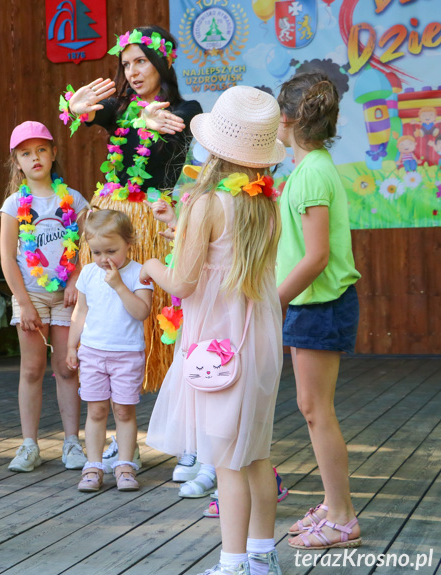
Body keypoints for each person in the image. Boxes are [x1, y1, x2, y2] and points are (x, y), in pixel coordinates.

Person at [143, 86, 286, 575]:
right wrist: (176, 229)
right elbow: (226, 260)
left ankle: (232, 563)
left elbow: (183, 281)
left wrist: (149, 264)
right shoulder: (264, 204)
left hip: (220, 345)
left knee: (226, 461)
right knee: (257, 456)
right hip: (260, 340)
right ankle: (263, 556)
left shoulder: (206, 204)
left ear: (214, 148)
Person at [62, 25, 203, 484]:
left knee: (167, 326)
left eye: (141, 61)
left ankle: (187, 443)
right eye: (126, 64)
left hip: (156, 224)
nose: (133, 71)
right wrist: (73, 108)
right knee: (107, 317)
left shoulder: (185, 109)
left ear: (162, 63)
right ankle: (122, 448)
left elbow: (167, 144)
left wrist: (140, 123)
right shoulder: (121, 108)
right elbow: (83, 115)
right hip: (111, 223)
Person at [276, 73, 362, 551]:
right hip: (312, 305)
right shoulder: (313, 167)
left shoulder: (310, 174)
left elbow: (316, 257)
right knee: (313, 410)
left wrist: (276, 301)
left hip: (318, 305)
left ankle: (343, 518)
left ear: (287, 120)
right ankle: (333, 505)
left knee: (315, 411)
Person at [0, 121, 89, 472]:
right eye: (25, 153)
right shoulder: (13, 205)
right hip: (30, 295)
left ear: (53, 153)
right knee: (32, 369)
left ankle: (71, 442)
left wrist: (76, 280)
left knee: (67, 369)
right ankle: (28, 444)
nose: (34, 157)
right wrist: (22, 302)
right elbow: (7, 256)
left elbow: (88, 245)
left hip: (67, 295)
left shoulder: (73, 199)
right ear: (16, 162)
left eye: (41, 150)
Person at [67, 209, 152, 492]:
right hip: (92, 353)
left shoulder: (138, 273)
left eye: (111, 251)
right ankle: (93, 465)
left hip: (126, 354)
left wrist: (118, 286)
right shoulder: (89, 274)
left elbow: (141, 312)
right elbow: (80, 311)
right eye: (96, 252)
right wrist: (71, 345)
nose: (104, 259)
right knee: (96, 410)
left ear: (130, 243)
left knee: (124, 412)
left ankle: (125, 464)